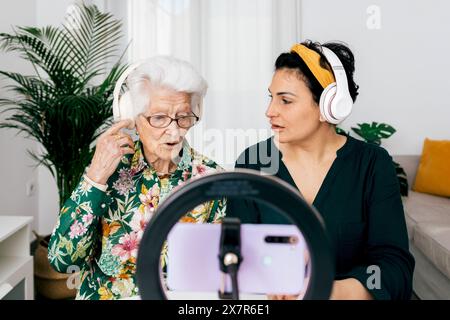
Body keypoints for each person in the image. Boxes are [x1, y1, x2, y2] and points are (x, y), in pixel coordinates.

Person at [228, 40, 414, 300]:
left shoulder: (372, 164)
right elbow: (237, 257)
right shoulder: (253, 162)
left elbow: (394, 268)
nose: (269, 111)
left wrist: (329, 292)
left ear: (329, 106)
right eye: (271, 98)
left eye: (286, 101)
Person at [48, 56, 226, 300]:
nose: (174, 131)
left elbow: (220, 271)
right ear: (132, 117)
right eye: (159, 118)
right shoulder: (108, 169)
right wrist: (96, 176)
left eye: (183, 117)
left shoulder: (212, 180)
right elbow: (63, 259)